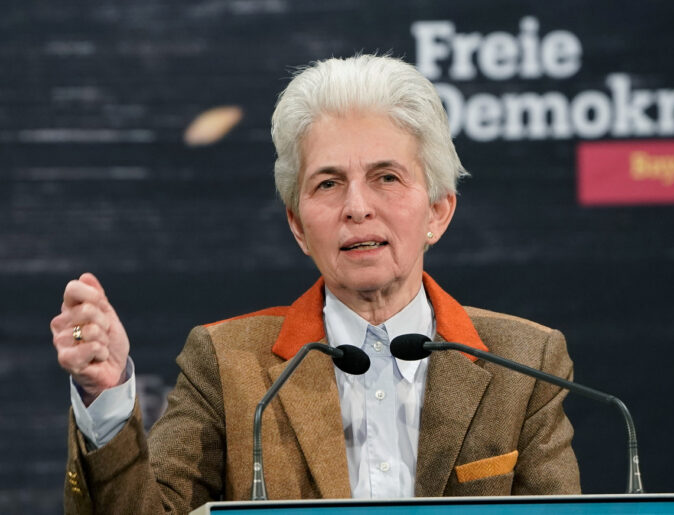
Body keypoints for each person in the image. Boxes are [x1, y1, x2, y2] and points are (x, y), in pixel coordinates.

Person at [51, 54, 580, 514]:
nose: (356, 207)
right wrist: (106, 395)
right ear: (298, 225)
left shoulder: (524, 363)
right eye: (328, 183)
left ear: (438, 212)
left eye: (386, 178)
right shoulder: (228, 364)